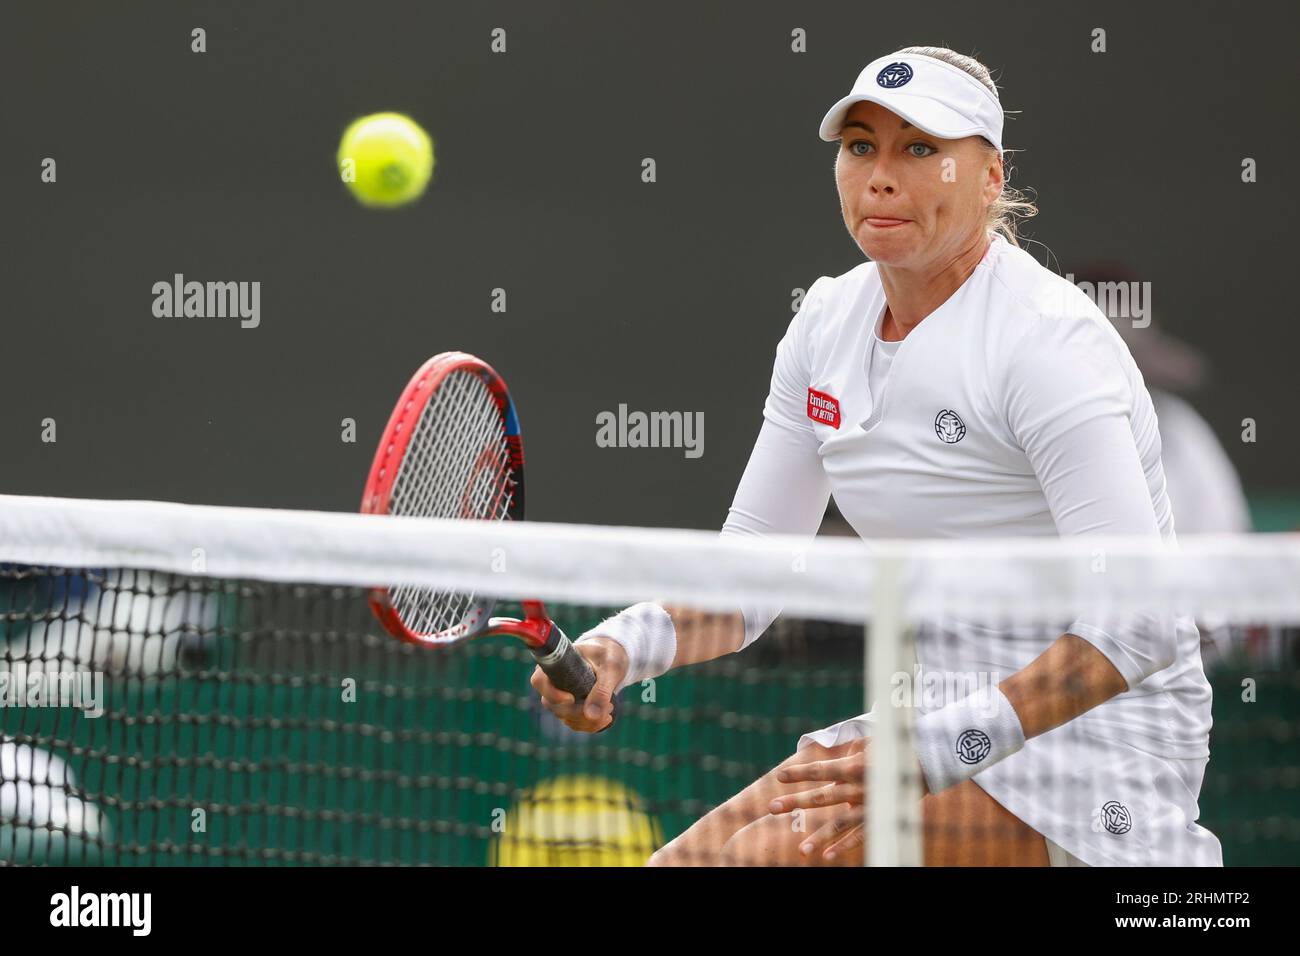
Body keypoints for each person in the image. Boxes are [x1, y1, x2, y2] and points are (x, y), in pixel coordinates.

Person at [531, 46, 1222, 867]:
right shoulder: (825, 325)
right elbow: (752, 575)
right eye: (861, 147)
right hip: (929, 726)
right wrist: (617, 649)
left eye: (921, 149)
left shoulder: (1047, 344)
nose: (882, 176)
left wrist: (932, 753)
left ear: (990, 178)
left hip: (1096, 756)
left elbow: (1139, 625)